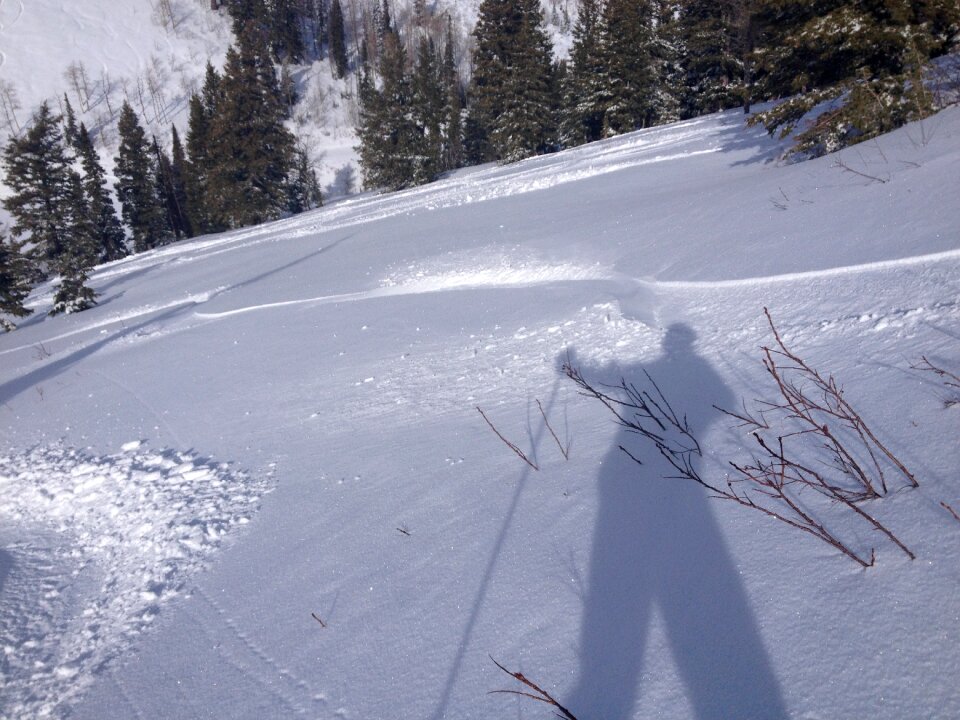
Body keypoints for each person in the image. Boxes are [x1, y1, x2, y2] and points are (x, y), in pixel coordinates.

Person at [565, 324, 787, 719]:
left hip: (665, 487)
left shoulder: (691, 370)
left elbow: (724, 398)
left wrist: (695, 425)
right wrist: (579, 370)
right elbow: (618, 379)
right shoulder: (662, 370)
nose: (672, 346)